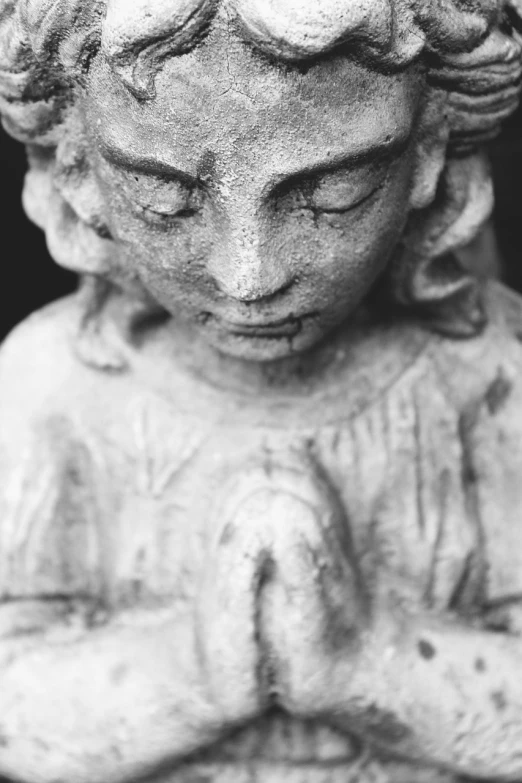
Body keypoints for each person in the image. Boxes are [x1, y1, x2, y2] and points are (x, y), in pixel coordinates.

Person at [1, 1, 522, 781]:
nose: (249, 277)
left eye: (336, 193)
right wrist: (195, 673)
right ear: (78, 171)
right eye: (166, 200)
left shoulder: (489, 376)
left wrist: (365, 662)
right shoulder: (53, 390)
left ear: (428, 154)